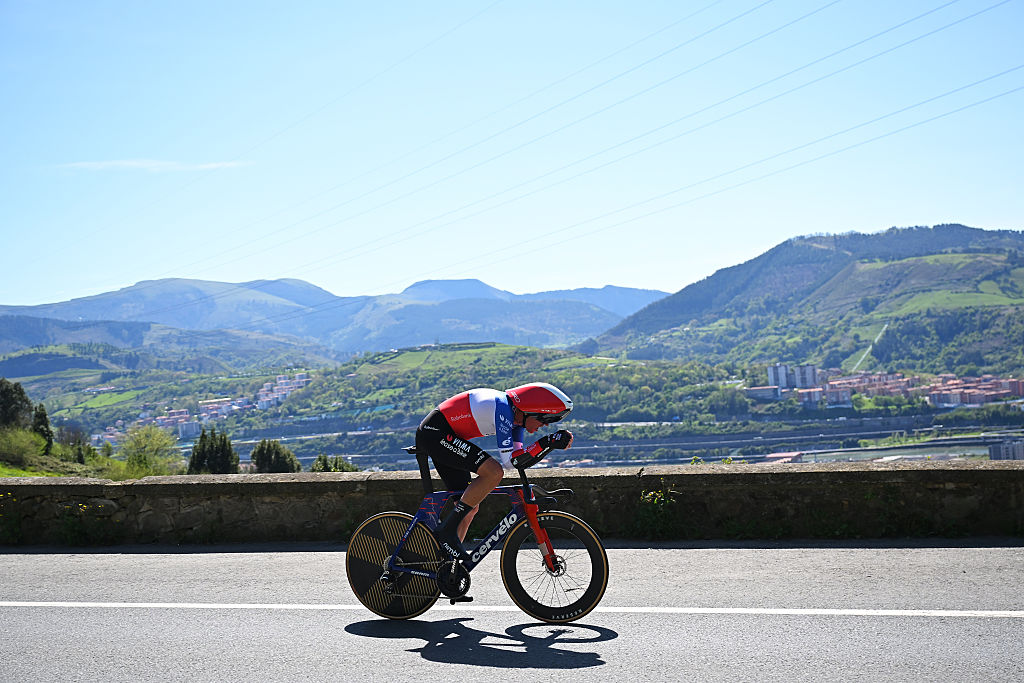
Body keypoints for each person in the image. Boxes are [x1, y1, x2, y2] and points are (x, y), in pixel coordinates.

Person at [415, 382, 574, 561]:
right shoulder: (503, 408)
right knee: (493, 472)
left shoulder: (516, 420)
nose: (544, 425)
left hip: (445, 436)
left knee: (470, 507)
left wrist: (549, 444)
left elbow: (515, 461)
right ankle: (447, 532)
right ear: (530, 411)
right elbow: (507, 462)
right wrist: (546, 442)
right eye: (544, 419)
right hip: (434, 433)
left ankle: (445, 564)